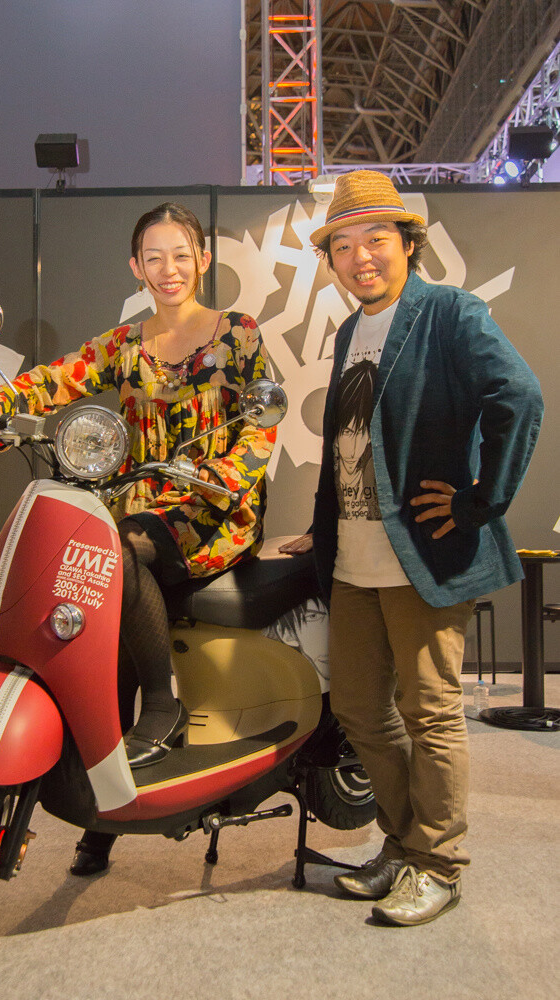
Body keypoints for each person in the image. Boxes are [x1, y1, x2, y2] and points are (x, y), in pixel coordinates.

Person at [0, 201, 277, 874]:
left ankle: (161, 708)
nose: (169, 268)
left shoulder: (238, 333)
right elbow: (56, 378)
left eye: (181, 254)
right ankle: (105, 802)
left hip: (213, 509)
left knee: (120, 551)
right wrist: (0, 402)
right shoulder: (125, 344)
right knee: (96, 598)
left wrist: (223, 474)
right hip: (138, 503)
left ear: (204, 259)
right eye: (154, 257)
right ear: (136, 266)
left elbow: (262, 423)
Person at [281, 170, 543, 926]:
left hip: (422, 555)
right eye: (343, 245)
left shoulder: (449, 312)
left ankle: (440, 863)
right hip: (354, 558)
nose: (360, 256)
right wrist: (325, 524)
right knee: (360, 709)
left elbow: (519, 396)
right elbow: (352, 444)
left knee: (428, 711)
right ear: (331, 258)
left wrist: (481, 498)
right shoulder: (349, 333)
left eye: (376, 239)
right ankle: (403, 844)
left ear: (407, 243)